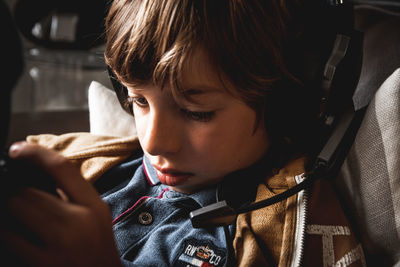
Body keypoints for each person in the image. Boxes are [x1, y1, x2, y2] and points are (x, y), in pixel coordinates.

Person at [3, 0, 366, 266]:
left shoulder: (286, 229)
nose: (154, 141)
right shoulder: (77, 165)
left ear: (287, 104)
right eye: (138, 101)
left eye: (197, 113)